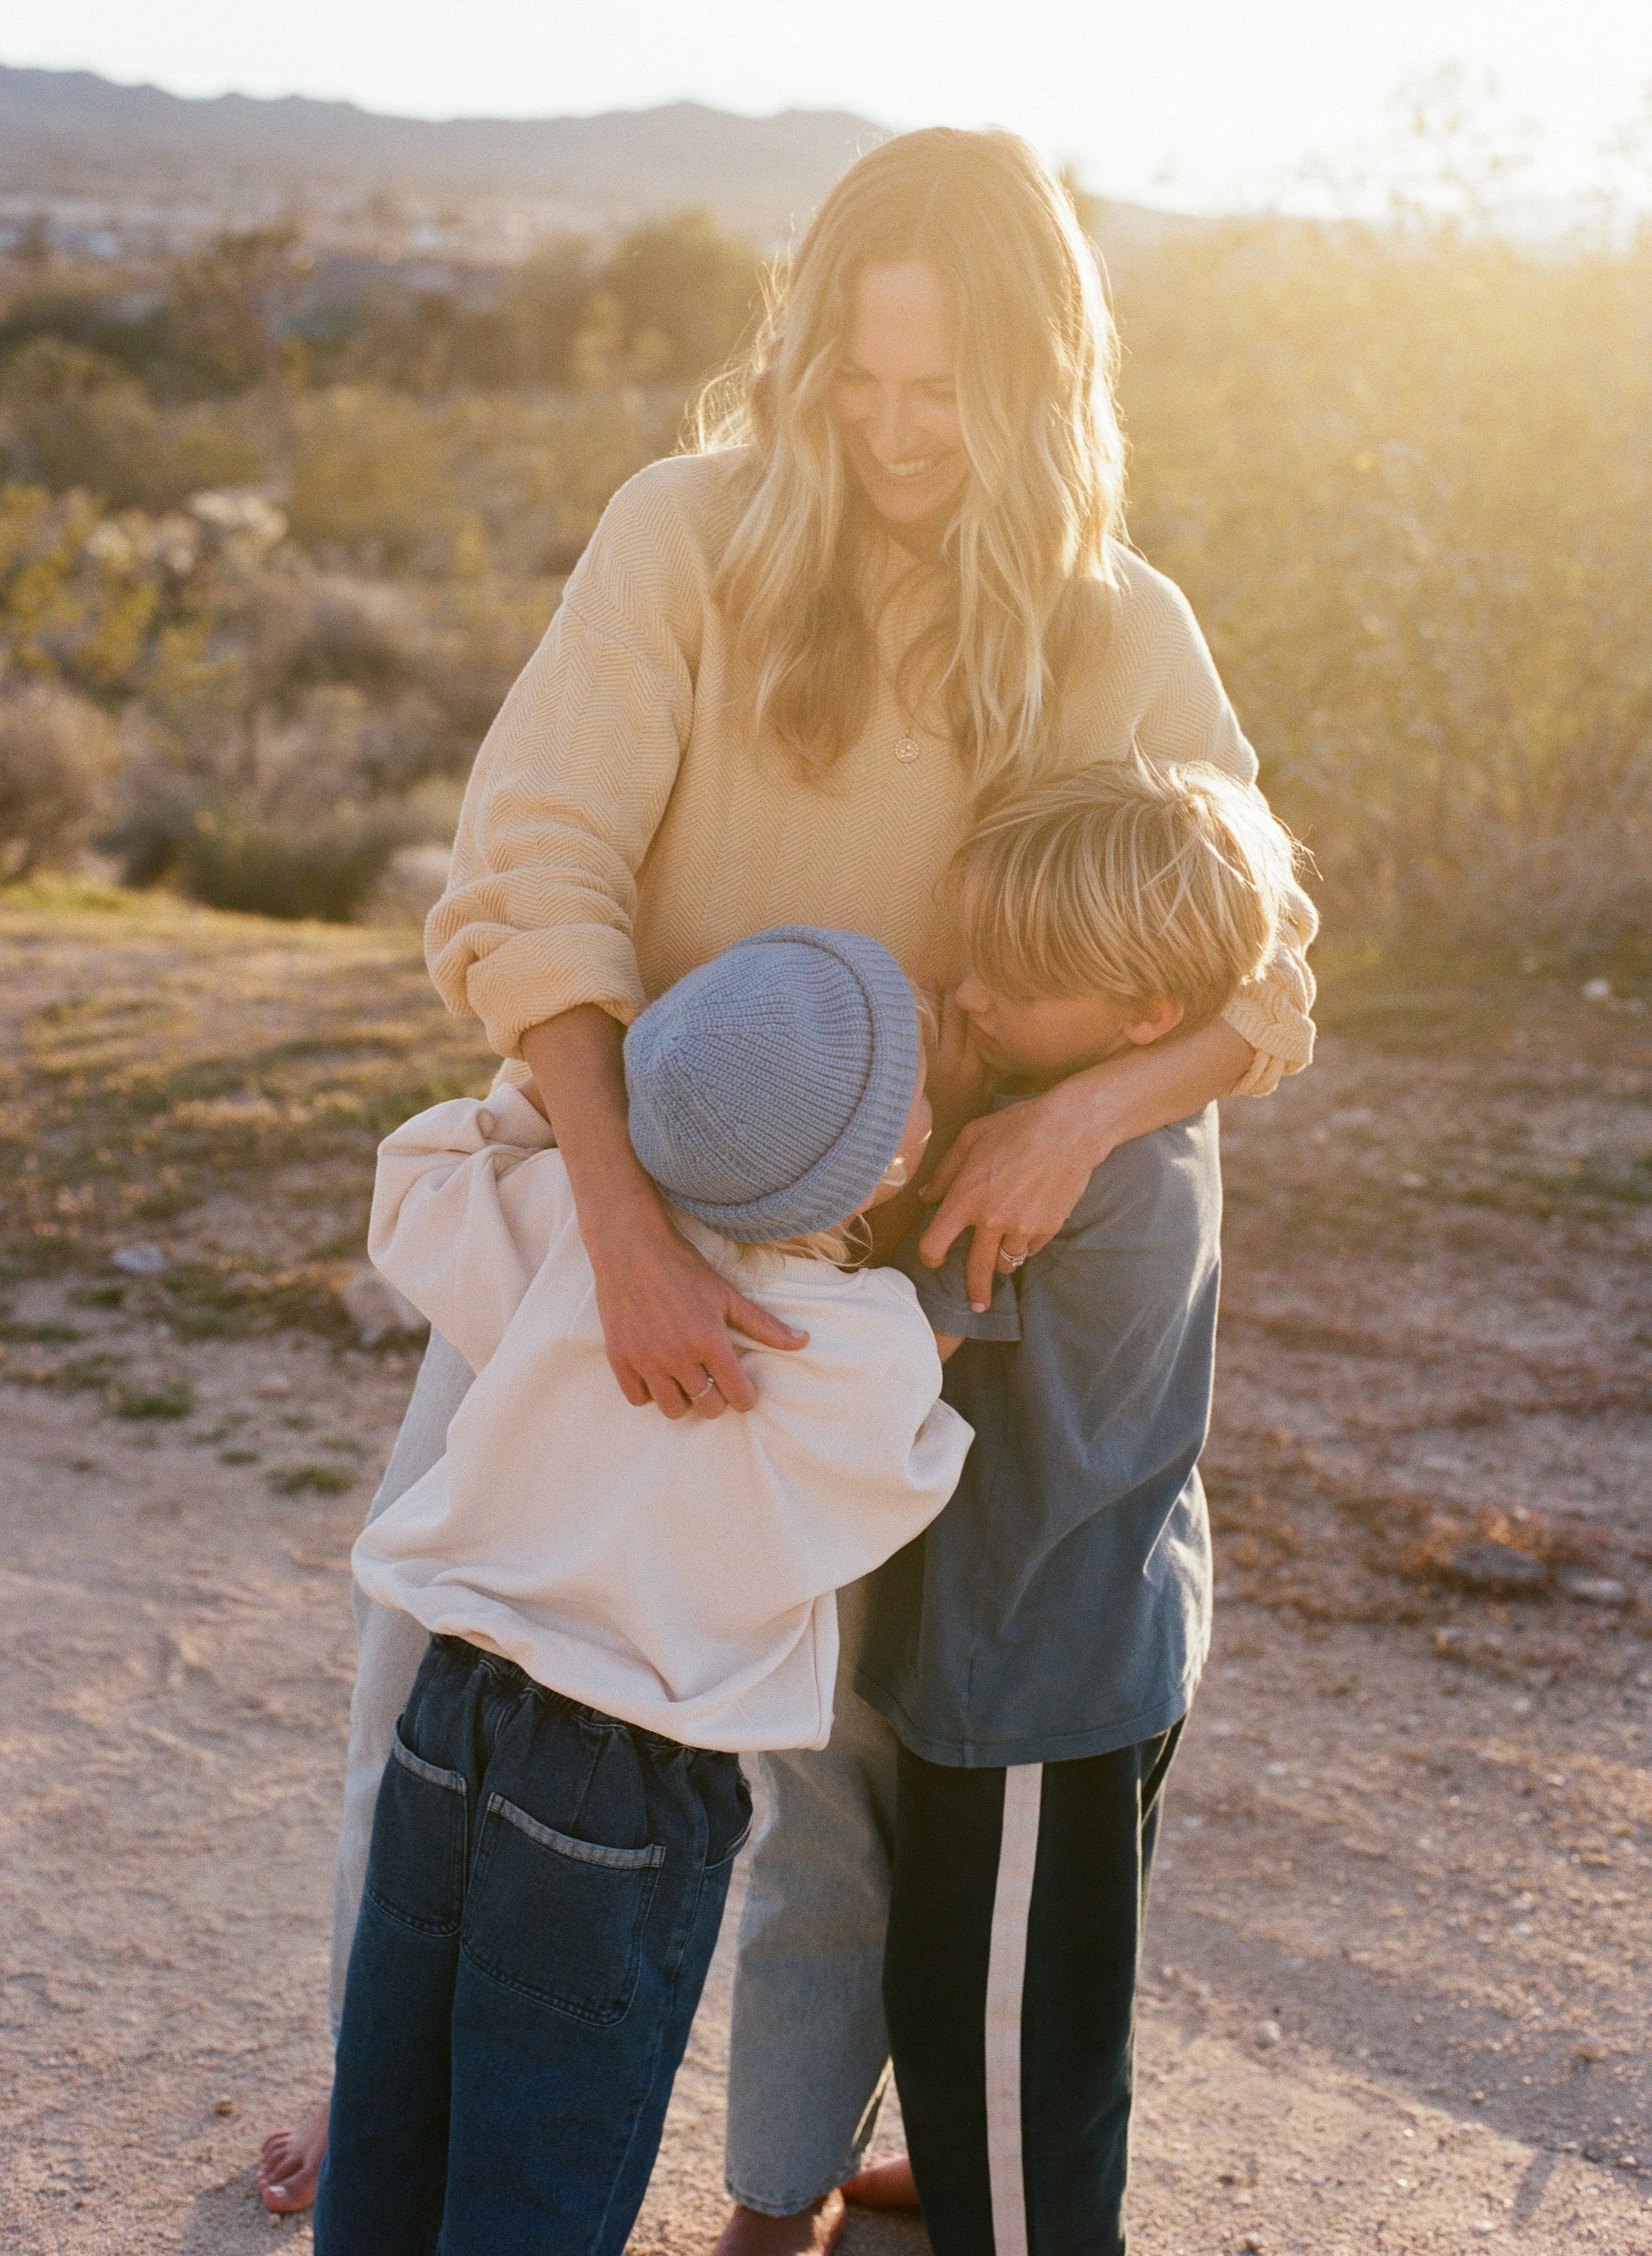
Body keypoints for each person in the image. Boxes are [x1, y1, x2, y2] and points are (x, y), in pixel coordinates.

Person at [259, 124, 1316, 2216]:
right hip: (611, 1185)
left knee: (823, 1752)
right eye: (860, 376)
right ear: (804, 349)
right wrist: (627, 1235)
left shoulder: (1111, 620)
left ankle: (777, 2180)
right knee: (446, 1642)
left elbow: (1261, 968)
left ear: (1036, 391)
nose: (898, 433)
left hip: (877, 1271)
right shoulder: (684, 531)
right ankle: (379, 2072)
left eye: (948, 394)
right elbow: (534, 876)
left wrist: (1069, 1111)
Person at [313, 929, 973, 2255]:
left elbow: (418, 1176)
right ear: (888, 1158)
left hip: (450, 1720)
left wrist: (576, 1129)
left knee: (396, 2097)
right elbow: (914, 1466)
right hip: (624, 1780)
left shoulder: (569, 1225)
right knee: (551, 2140)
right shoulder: (859, 1344)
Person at [721, 761, 1306, 2256]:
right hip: (1113, 1615)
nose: (969, 998)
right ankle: (972, 2160)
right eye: (967, 955)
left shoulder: (1044, 1167)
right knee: (1013, 1977)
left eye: (1012, 985)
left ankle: (1026, 2216)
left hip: (1027, 1665)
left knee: (1004, 2003)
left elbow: (878, 1364)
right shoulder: (1143, 1113)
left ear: (1144, 1020)